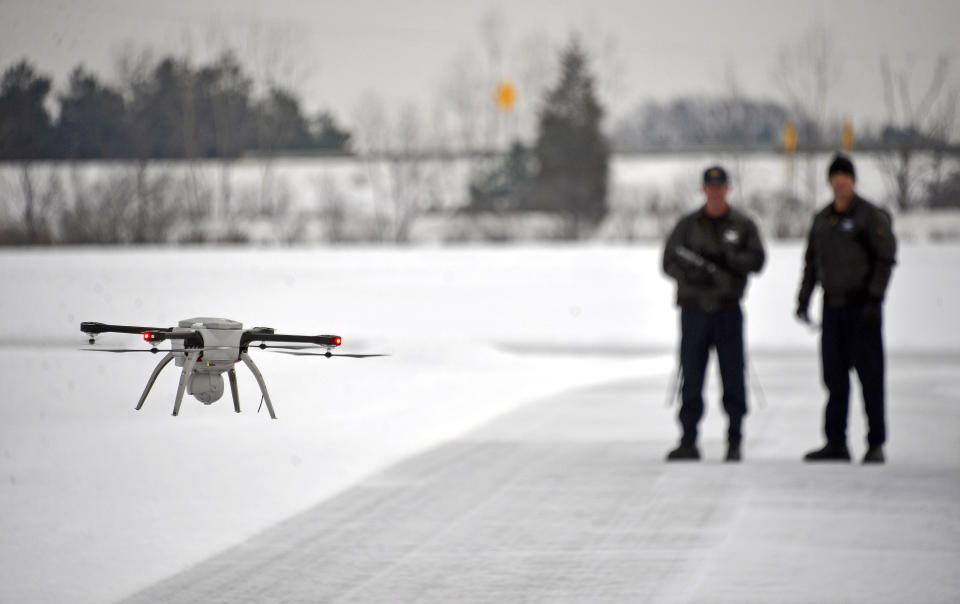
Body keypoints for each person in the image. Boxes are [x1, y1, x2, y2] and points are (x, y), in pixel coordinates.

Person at [796, 154, 897, 464]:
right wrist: (803, 299)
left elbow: (885, 259)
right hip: (833, 308)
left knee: (870, 378)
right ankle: (836, 442)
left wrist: (874, 299)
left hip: (861, 308)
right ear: (830, 181)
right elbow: (811, 262)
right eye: (836, 177)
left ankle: (875, 443)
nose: (841, 182)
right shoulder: (822, 219)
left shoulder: (870, 216)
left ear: (853, 180)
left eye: (846, 177)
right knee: (834, 378)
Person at [662, 166, 766, 462]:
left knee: (733, 375)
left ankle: (734, 439)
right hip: (695, 312)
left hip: (726, 310)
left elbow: (758, 259)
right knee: (691, 375)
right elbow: (668, 261)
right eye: (710, 186)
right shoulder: (688, 225)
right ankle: (688, 439)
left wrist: (730, 261)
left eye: (720, 186)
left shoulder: (742, 225)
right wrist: (694, 275)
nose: (715, 191)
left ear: (727, 189)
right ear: (703, 189)